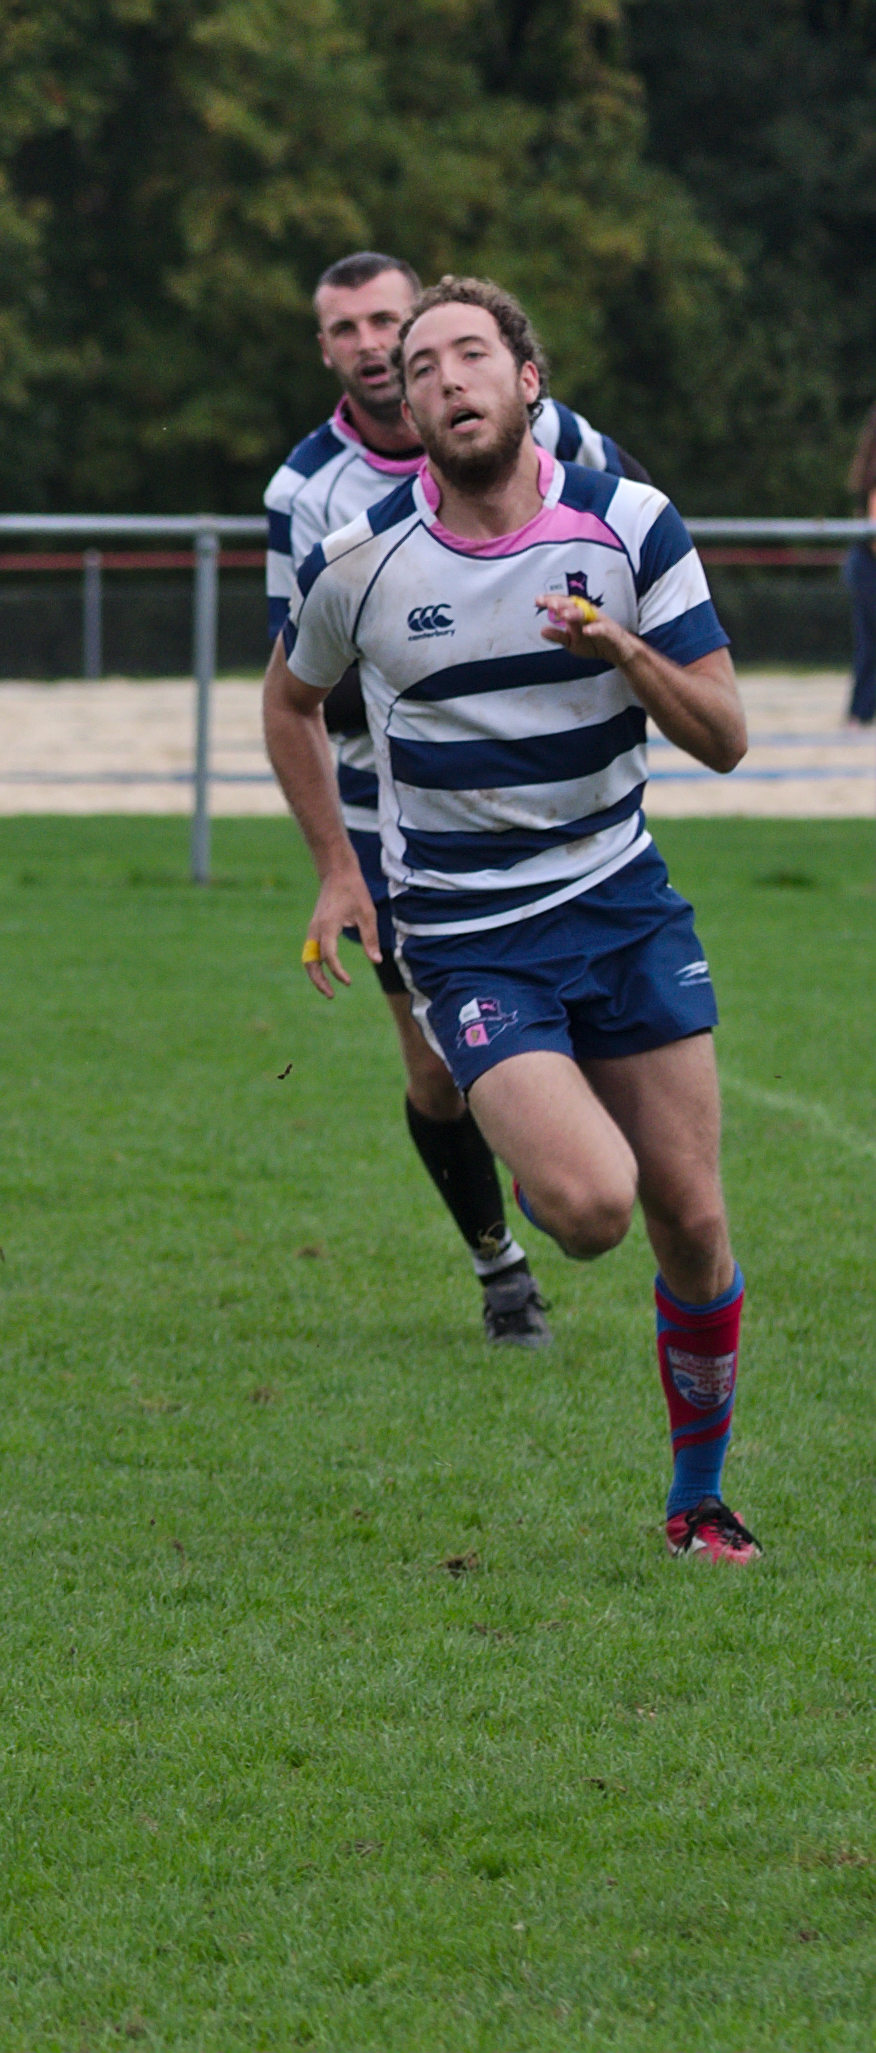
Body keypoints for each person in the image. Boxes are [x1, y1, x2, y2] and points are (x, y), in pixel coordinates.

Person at [265, 276, 758, 1564]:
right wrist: (336, 865)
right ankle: (551, 1169)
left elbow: (723, 737)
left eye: (468, 354)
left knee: (694, 1224)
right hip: (473, 936)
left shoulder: (628, 522)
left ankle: (695, 1500)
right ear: (403, 404)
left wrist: (627, 656)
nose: (440, 378)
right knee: (596, 1210)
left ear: (527, 380)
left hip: (625, 906)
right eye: (419, 367)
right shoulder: (358, 562)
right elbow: (288, 702)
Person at [264, 252, 647, 1352]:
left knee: (598, 1071)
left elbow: (628, 557)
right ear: (327, 350)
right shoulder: (309, 495)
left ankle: (560, 1163)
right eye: (345, 330)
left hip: (571, 828)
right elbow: (299, 680)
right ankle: (499, 1261)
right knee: (433, 1069)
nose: (372, 344)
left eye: (389, 320)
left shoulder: (555, 435)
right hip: (404, 828)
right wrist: (338, 862)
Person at [844, 400, 876, 727]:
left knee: (868, 644)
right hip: (869, 566)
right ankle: (859, 714)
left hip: (863, 564)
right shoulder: (874, 477)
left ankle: (859, 715)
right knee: (870, 646)